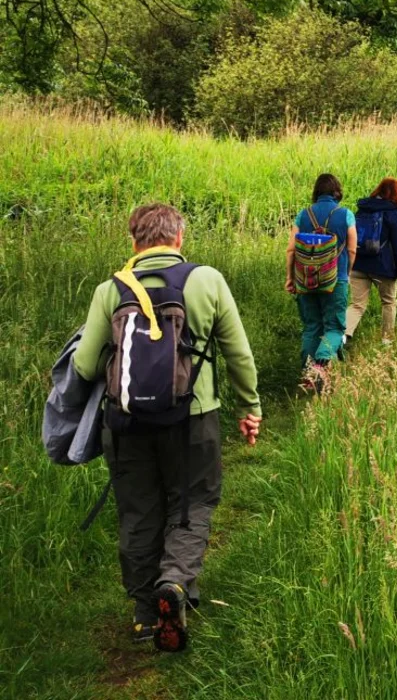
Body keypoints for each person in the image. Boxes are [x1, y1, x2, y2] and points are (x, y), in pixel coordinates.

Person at [71, 203, 261, 651]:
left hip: (126, 422)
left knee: (139, 512)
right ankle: (174, 585)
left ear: (133, 242)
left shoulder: (110, 290)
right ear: (179, 239)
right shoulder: (207, 280)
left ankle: (143, 617)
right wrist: (249, 406)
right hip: (194, 419)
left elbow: (83, 365)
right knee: (192, 503)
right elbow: (239, 354)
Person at [287, 173, 356, 377]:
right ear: (337, 192)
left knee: (311, 327)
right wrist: (347, 273)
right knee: (334, 328)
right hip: (336, 280)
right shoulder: (346, 215)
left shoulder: (303, 214)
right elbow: (352, 250)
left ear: (316, 192)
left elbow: (291, 250)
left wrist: (290, 278)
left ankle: (309, 373)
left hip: (305, 281)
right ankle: (321, 363)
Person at [346, 177, 397, 345]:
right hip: (383, 267)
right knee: (388, 302)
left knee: (357, 305)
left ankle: (340, 338)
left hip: (358, 264)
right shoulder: (393, 214)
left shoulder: (362, 209)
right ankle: (387, 342)